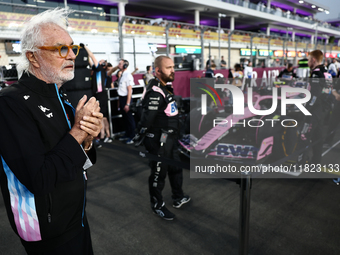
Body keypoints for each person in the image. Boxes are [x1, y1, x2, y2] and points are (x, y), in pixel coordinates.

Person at [0, 8, 103, 255]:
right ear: (33, 57)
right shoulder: (9, 103)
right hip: (46, 232)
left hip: (76, 216)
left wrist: (88, 139)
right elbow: (40, 179)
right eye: (60, 49)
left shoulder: (60, 96)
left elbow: (85, 162)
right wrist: (78, 132)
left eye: (72, 48)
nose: (71, 56)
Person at [135, 56, 190, 220]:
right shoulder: (155, 91)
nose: (173, 70)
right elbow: (146, 119)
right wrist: (140, 135)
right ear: (157, 71)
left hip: (170, 139)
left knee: (176, 168)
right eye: (168, 68)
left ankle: (178, 197)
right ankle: (157, 205)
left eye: (173, 67)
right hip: (159, 141)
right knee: (159, 174)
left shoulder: (164, 87)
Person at [85, 46, 116, 143]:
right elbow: (91, 61)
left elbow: (92, 57)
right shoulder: (97, 70)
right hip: (100, 95)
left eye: (101, 61)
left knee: (102, 117)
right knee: (104, 117)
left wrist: (85, 47)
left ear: (102, 64)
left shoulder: (100, 70)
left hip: (101, 96)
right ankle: (107, 135)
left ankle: (103, 135)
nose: (98, 61)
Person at [307, 50, 332, 165]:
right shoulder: (326, 72)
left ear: (313, 60)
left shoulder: (316, 73)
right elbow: (328, 90)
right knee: (318, 137)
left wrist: (307, 109)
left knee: (304, 136)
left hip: (315, 110)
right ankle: (316, 162)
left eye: (308, 59)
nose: (308, 62)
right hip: (323, 109)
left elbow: (315, 96)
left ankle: (301, 162)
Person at [117, 59, 136, 144]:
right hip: (121, 98)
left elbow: (129, 90)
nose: (118, 65)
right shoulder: (122, 75)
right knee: (125, 118)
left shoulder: (128, 75)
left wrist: (127, 104)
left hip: (126, 99)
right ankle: (127, 134)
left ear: (125, 65)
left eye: (120, 63)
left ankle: (132, 136)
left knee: (129, 118)